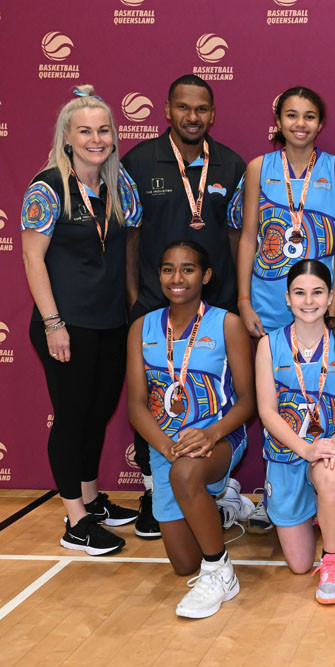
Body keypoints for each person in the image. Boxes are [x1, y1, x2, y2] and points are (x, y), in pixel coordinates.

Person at [123, 74, 247, 540]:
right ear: (167, 110)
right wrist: (136, 299)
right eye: (183, 107)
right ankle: (157, 492)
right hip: (156, 303)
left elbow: (238, 236)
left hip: (215, 304)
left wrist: (236, 298)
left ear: (212, 114)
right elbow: (130, 237)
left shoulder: (231, 165)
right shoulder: (137, 161)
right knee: (157, 395)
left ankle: (213, 483)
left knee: (221, 395)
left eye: (201, 109)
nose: (191, 117)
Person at [21, 85, 142, 556]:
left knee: (96, 413)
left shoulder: (118, 185)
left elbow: (130, 239)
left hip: (110, 321)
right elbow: (33, 261)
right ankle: (75, 521)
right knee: (71, 418)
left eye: (104, 129)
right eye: (85, 131)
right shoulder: (47, 186)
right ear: (67, 137)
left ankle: (91, 501)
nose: (97, 138)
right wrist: (54, 324)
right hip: (67, 324)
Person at [126, 240, 255, 618]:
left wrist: (212, 434)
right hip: (167, 445)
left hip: (219, 437)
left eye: (188, 269)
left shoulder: (227, 324)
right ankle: (221, 505)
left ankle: (220, 572)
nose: (177, 278)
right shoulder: (142, 328)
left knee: (187, 474)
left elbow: (246, 399)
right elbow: (136, 404)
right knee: (183, 563)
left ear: (206, 275)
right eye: (168, 269)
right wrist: (165, 446)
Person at [255, 259, 335, 604]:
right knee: (299, 565)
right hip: (288, 456)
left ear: (331, 297)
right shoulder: (268, 345)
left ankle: (333, 560)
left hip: (325, 451)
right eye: (300, 293)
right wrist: (305, 449)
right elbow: (267, 412)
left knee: (331, 474)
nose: (309, 301)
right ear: (287, 298)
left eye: (317, 292)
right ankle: (309, 514)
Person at [238, 86, 335, 335]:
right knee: (269, 372)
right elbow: (248, 239)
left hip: (319, 302)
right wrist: (244, 301)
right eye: (291, 115)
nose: (300, 123)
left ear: (320, 124)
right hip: (267, 299)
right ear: (278, 121)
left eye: (309, 117)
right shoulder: (258, 168)